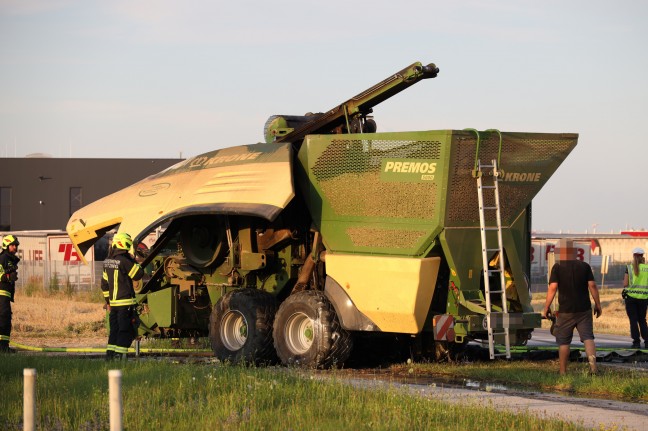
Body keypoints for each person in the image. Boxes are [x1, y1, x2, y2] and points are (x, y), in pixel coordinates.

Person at [542, 239, 602, 375]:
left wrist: (546, 307)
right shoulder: (585, 266)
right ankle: (594, 370)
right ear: (573, 251)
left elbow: (552, 288)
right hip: (584, 309)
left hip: (565, 311)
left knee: (563, 342)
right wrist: (598, 305)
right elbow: (592, 286)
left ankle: (563, 372)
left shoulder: (557, 267)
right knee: (588, 338)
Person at [101, 232, 144, 360]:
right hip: (125, 304)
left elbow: (104, 285)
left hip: (113, 305)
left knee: (114, 330)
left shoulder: (107, 262)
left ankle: (110, 356)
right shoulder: (124, 261)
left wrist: (108, 302)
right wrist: (134, 261)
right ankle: (119, 356)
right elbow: (138, 274)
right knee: (126, 330)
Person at [622, 247, 648, 349]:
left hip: (631, 298)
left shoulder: (629, 268)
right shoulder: (647, 268)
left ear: (633, 256)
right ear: (643, 256)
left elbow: (625, 283)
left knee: (633, 320)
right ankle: (647, 342)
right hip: (644, 298)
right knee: (642, 320)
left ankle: (636, 342)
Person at [0, 234, 20, 353]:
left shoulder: (10, 260)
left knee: (6, 319)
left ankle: (4, 346)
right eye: (13, 245)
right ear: (6, 245)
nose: (15, 248)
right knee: (3, 318)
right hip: (1, 293)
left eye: (16, 246)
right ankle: (2, 348)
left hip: (5, 294)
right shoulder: (3, 258)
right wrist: (8, 276)